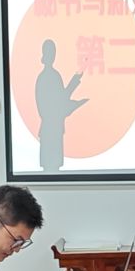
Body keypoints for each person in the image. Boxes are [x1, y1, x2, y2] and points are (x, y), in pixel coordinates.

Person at [34, 38, 86, 171]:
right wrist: (74, 104)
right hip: (51, 130)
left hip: (53, 129)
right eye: (51, 52)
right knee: (50, 169)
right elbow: (61, 101)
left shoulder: (51, 76)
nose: (53, 55)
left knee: (54, 168)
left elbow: (62, 99)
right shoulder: (46, 77)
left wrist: (77, 77)